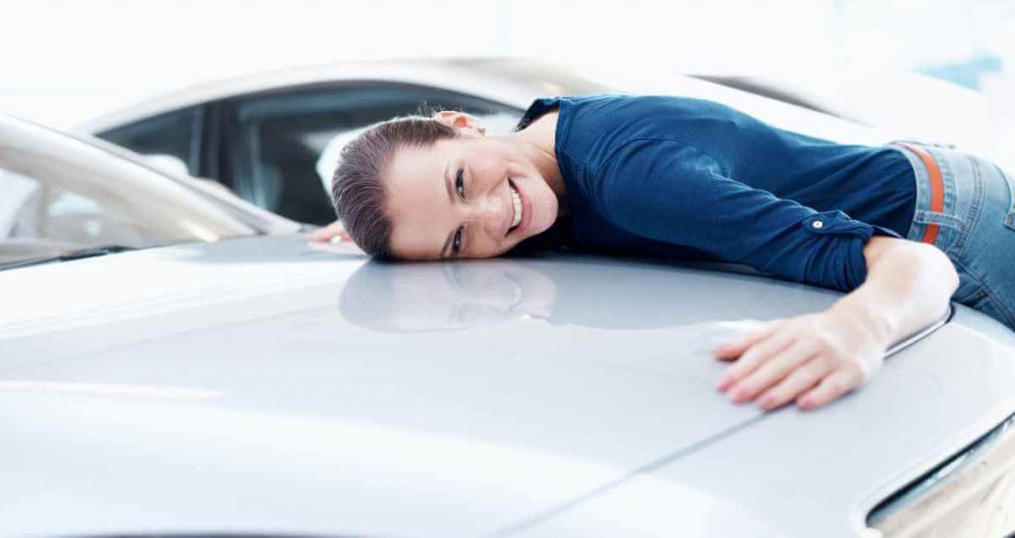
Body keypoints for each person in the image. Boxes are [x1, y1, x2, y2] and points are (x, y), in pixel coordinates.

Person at [310, 93, 1015, 412]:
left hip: (950, 221)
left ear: (460, 124)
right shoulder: (539, 134)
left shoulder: (640, 184)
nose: (495, 213)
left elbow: (920, 267)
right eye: (458, 240)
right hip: (912, 170)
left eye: (462, 182)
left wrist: (857, 329)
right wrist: (395, 223)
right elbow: (442, 201)